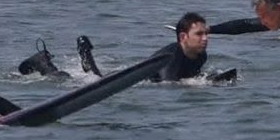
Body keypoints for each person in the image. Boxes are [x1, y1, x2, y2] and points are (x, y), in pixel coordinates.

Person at [29, 15, 210, 82]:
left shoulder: (200, 56)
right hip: (124, 81)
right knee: (83, 79)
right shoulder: (173, 55)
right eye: (199, 34)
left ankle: (85, 52)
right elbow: (168, 83)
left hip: (133, 78)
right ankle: (43, 64)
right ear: (182, 37)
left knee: (91, 74)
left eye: (206, 34)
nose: (205, 38)